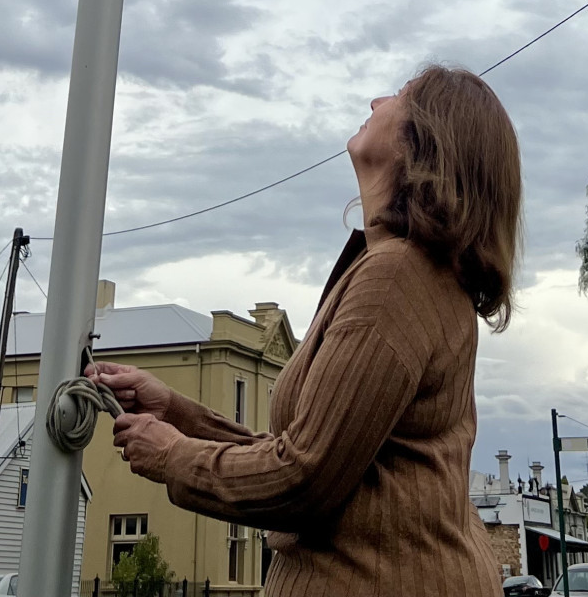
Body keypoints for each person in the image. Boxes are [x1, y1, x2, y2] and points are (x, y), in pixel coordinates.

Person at [86, 63, 522, 595]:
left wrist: (172, 454)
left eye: (400, 95)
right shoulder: (407, 274)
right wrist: (174, 414)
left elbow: (302, 480)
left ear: (422, 144)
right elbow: (309, 457)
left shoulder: (397, 279)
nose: (375, 101)